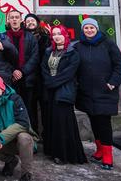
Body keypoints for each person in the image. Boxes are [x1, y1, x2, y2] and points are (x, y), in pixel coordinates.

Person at [74, 18, 121, 170]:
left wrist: (112, 82)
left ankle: (108, 155)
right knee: (94, 120)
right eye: (86, 28)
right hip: (87, 91)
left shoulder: (108, 44)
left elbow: (119, 65)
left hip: (104, 91)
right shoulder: (78, 46)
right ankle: (99, 149)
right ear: (82, 30)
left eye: (91, 27)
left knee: (103, 122)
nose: (89, 30)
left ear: (96, 29)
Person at [41, 25, 86, 165]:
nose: (56, 36)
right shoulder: (49, 51)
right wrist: (48, 81)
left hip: (64, 91)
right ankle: (53, 151)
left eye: (59, 33)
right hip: (50, 92)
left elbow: (69, 73)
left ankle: (64, 154)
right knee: (52, 122)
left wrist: (52, 82)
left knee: (63, 123)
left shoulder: (72, 53)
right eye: (54, 34)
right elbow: (43, 67)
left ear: (65, 35)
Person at [0, 75, 37, 181]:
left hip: (21, 141)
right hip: (5, 142)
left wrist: (0, 138)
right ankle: (11, 161)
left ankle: (26, 174)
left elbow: (23, 123)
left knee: (24, 137)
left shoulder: (15, 99)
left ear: (2, 87)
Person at [5, 10, 39, 127]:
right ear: (8, 21)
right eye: (12, 18)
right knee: (12, 110)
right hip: (10, 80)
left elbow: (35, 57)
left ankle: (32, 136)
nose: (14, 20)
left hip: (27, 80)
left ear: (21, 20)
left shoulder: (30, 37)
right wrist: (13, 71)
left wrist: (22, 71)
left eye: (16, 17)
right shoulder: (3, 37)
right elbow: (1, 58)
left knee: (29, 109)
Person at [23, 13, 50, 135]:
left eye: (32, 20)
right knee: (30, 109)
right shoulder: (24, 37)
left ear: (37, 22)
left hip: (43, 78)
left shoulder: (45, 36)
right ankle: (33, 135)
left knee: (45, 109)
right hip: (29, 78)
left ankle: (47, 135)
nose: (30, 23)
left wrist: (49, 36)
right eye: (27, 21)